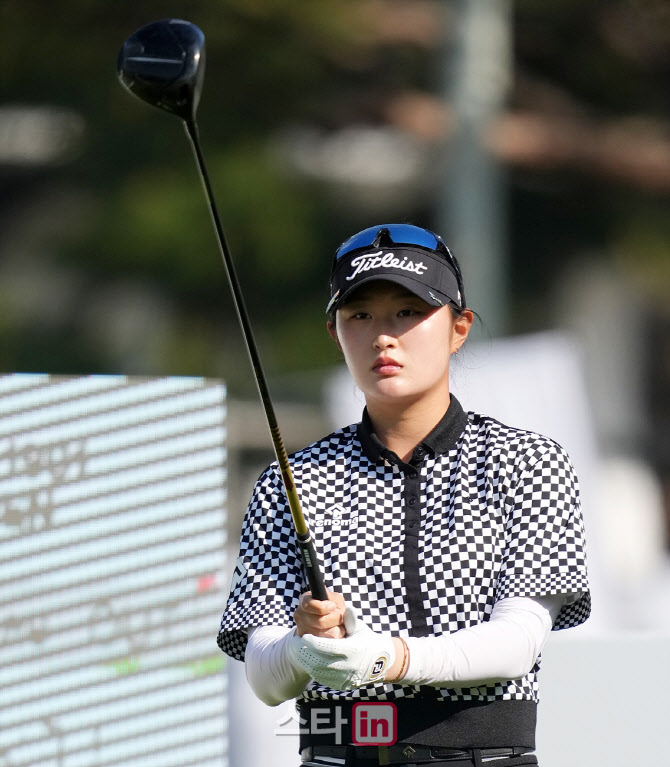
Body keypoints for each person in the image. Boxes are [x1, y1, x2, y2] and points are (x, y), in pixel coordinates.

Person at [217, 224, 590, 767]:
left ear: (459, 329)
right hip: (340, 754)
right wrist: (304, 647)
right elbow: (265, 680)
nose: (382, 337)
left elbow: (517, 642)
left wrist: (386, 658)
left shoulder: (528, 462)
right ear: (335, 333)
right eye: (360, 316)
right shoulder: (289, 480)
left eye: (408, 312)